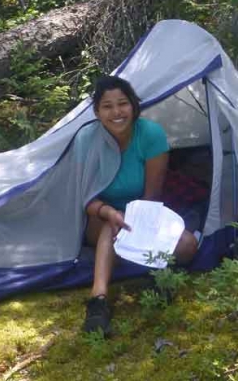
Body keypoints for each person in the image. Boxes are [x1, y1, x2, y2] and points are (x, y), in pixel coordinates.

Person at [82, 75, 199, 336]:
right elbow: (85, 199)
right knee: (111, 226)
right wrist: (110, 212)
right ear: (97, 112)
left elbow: (152, 196)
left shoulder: (150, 134)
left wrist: (138, 230)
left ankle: (153, 271)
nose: (116, 112)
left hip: (141, 215)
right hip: (99, 217)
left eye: (122, 103)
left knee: (188, 245)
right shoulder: (87, 140)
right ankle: (97, 303)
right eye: (107, 106)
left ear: (134, 106)